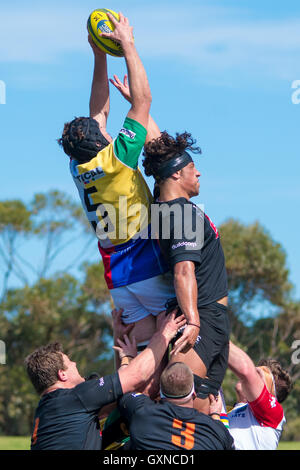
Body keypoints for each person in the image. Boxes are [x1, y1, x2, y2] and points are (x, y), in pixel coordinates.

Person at [57, 12, 174, 350]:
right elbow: (143, 101)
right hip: (145, 258)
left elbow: (97, 114)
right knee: (178, 349)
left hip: (117, 274)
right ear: (102, 141)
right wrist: (128, 45)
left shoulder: (78, 164)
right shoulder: (117, 157)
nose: (107, 128)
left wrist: (99, 56)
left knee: (142, 357)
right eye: (105, 132)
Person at [142, 133, 230, 413]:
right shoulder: (180, 213)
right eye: (193, 168)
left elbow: (160, 148)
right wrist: (193, 320)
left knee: (205, 415)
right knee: (181, 414)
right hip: (201, 317)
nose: (199, 172)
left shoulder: (162, 206)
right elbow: (183, 271)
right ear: (178, 173)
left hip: (213, 320)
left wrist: (142, 107)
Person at [25, 309, 185, 450]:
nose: (74, 363)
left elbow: (120, 389)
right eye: (69, 362)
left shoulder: (47, 409)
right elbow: (136, 376)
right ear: (62, 374)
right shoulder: (76, 397)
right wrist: (165, 333)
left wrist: (119, 340)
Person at [118, 361, 234, 450]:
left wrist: (126, 359)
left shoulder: (142, 410)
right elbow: (225, 441)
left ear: (160, 391)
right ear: (194, 393)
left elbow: (123, 386)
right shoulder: (217, 430)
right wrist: (215, 415)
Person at [225, 340, 293, 450]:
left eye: (258, 375)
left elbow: (246, 373)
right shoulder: (225, 409)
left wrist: (216, 332)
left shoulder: (274, 413)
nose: (254, 373)